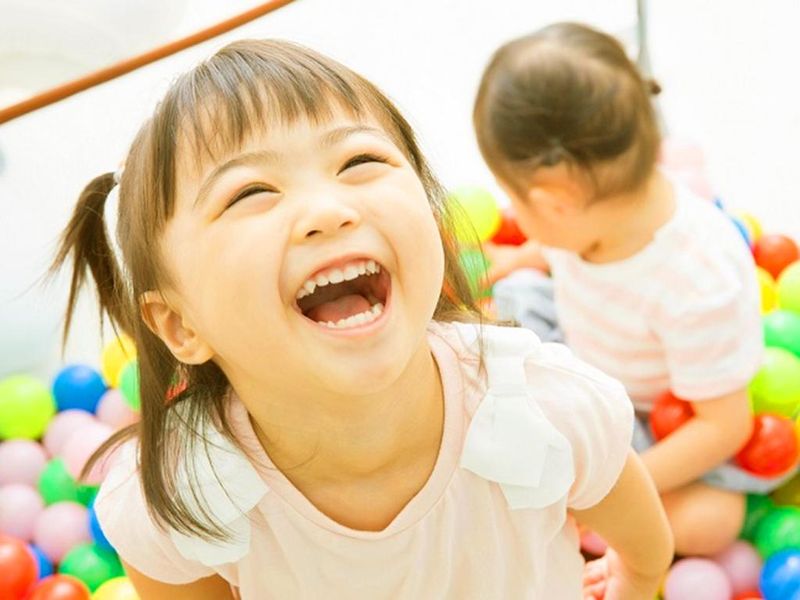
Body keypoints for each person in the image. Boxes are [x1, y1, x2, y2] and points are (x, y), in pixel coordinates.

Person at [53, 39, 672, 599]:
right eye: (250, 193)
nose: (329, 209)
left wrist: (632, 584)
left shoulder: (542, 410)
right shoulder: (184, 497)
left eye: (359, 162)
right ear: (180, 325)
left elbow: (644, 554)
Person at [473, 22, 767, 556]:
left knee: (710, 521)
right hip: (584, 350)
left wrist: (614, 490)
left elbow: (725, 428)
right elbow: (557, 248)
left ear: (556, 202)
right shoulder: (593, 211)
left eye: (515, 198)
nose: (513, 210)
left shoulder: (699, 281)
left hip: (660, 421)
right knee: (499, 322)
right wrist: (518, 258)